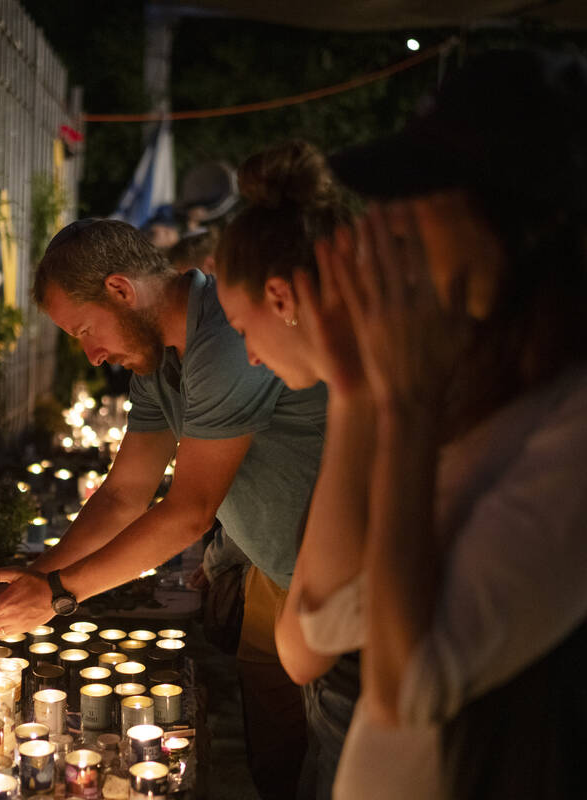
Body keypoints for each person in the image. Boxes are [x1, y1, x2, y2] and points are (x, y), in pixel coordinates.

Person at [287, 47, 587, 799]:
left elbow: (408, 686)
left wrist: (405, 409)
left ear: (514, 216)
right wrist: (354, 394)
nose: (397, 224)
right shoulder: (491, 378)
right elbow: (315, 626)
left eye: (422, 193)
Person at [0, 218, 327, 799]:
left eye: (85, 330)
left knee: (340, 767)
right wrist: (41, 575)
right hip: (280, 578)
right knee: (280, 768)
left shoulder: (225, 337)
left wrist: (56, 596)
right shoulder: (161, 363)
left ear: (121, 290)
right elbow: (125, 494)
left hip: (346, 577)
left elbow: (191, 510)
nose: (94, 355)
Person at [212, 139, 361, 800]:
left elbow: (304, 650)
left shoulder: (371, 402)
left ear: (279, 298)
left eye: (241, 327)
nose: (247, 355)